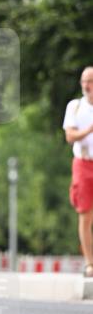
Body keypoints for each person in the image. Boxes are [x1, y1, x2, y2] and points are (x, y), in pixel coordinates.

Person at [63, 66, 93, 277]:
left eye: (90, 80)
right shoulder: (75, 106)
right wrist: (90, 129)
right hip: (83, 163)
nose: (86, 85)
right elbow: (70, 136)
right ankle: (90, 263)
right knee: (85, 214)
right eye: (84, 80)